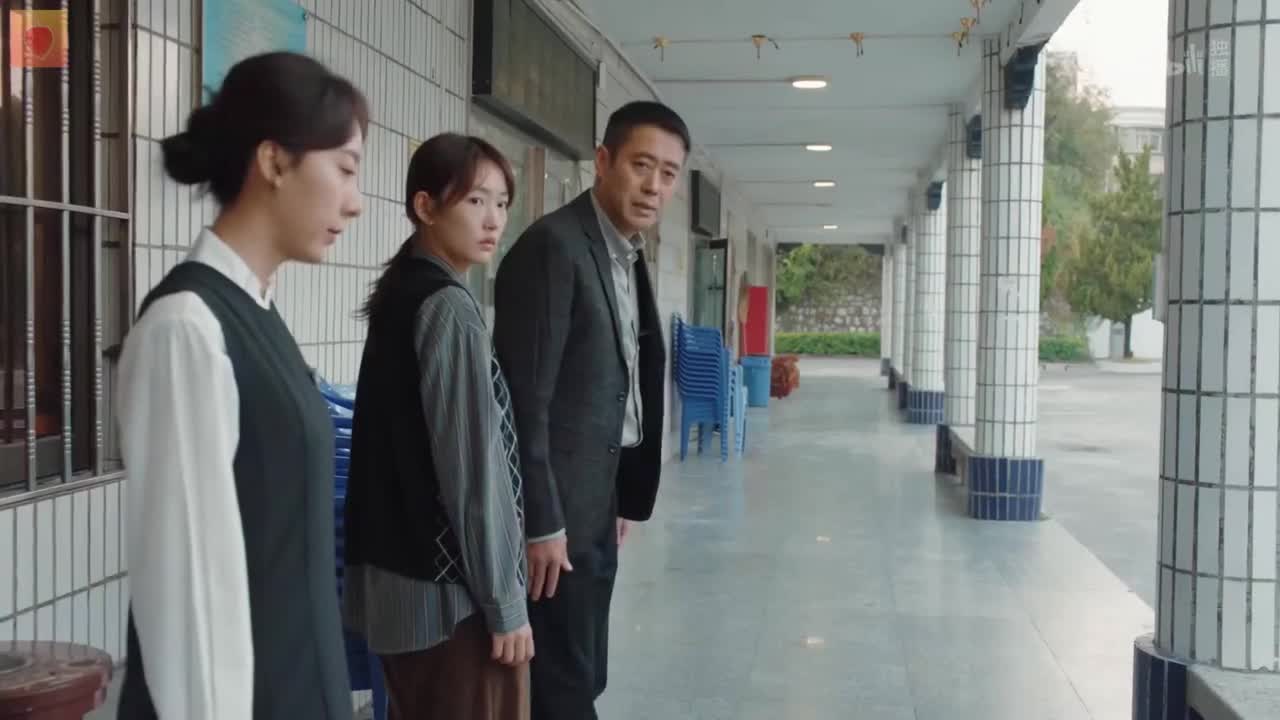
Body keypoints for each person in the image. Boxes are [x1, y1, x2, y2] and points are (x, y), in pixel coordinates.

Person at [114, 52, 367, 719]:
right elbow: (186, 599)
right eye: (345, 169)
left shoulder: (256, 313)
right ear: (275, 161)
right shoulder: (186, 329)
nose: (356, 202)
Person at [492, 100, 690, 719]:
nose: (654, 186)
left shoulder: (624, 253)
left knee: (583, 669)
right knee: (561, 685)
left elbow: (620, 378)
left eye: (668, 173)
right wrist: (542, 522)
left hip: (596, 501)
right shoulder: (554, 248)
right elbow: (524, 399)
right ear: (603, 161)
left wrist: (618, 493)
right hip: (554, 517)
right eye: (641, 165)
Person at [341, 133, 531, 720]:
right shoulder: (448, 307)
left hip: (399, 592)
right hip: (450, 602)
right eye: (475, 200)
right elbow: (474, 477)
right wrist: (506, 605)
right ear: (425, 206)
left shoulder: (402, 290)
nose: (493, 220)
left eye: (501, 203)